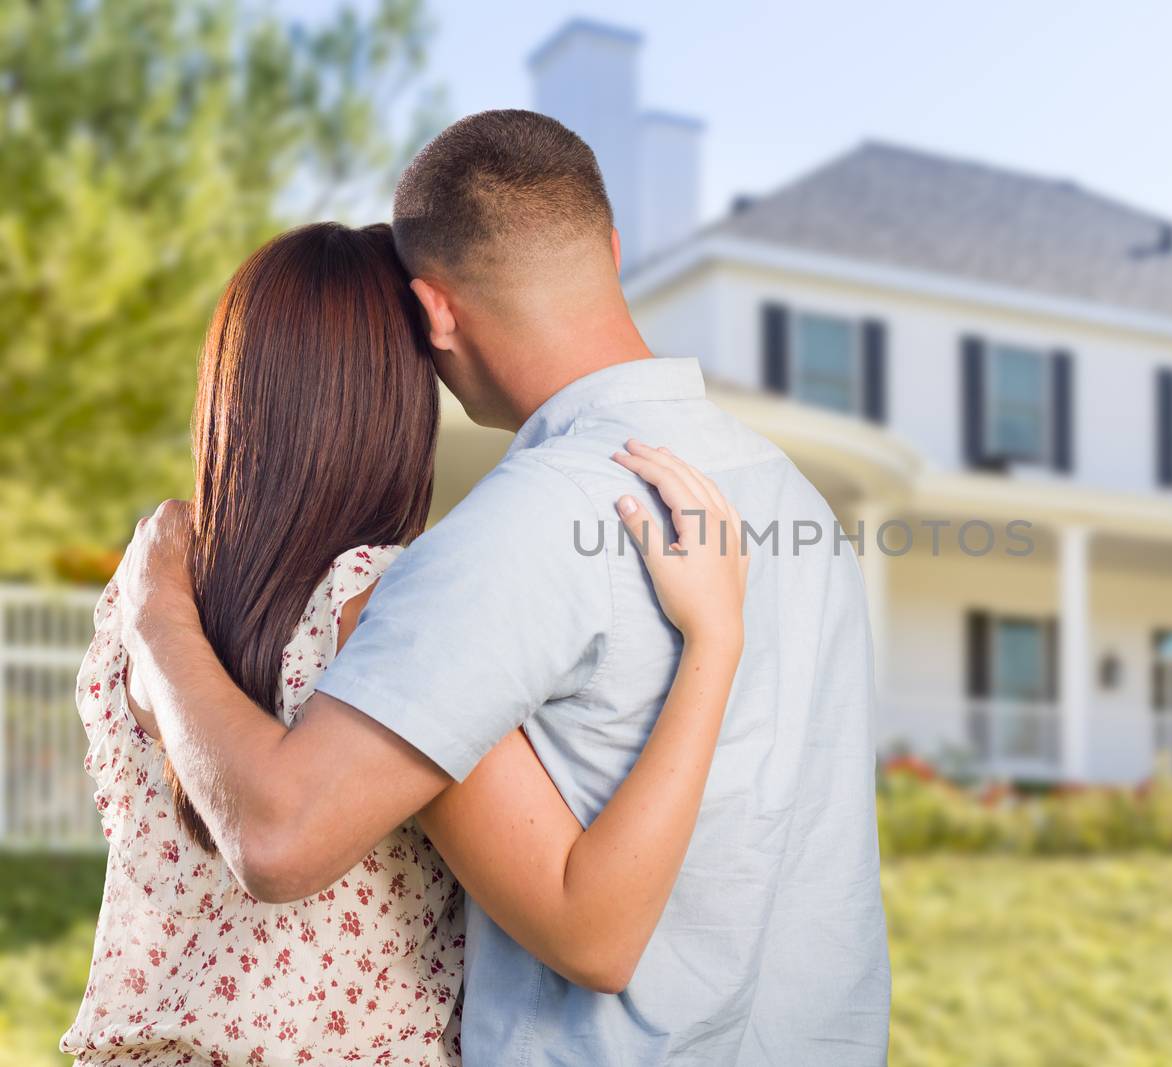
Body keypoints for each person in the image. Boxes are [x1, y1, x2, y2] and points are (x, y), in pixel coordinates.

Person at [117, 109, 891, 1065]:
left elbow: (280, 837)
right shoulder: (797, 505)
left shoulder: (507, 535)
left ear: (434, 312)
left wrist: (156, 614)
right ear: (610, 246)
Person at [64, 221, 750, 1065]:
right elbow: (592, 930)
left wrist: (154, 613)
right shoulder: (380, 605)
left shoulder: (142, 596)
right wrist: (715, 639)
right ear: (395, 398)